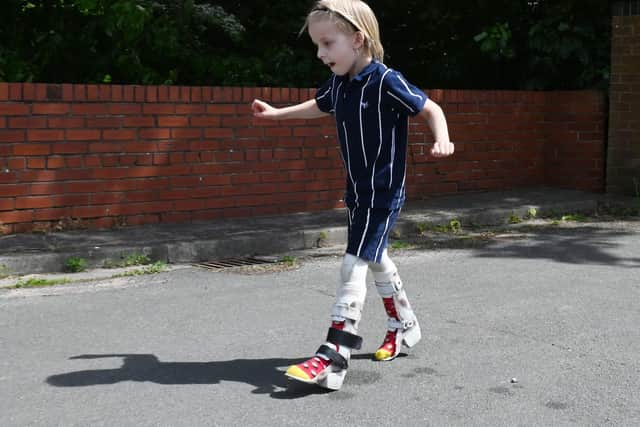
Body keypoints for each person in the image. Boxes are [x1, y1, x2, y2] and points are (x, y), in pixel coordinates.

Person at [251, 0, 454, 390]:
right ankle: (404, 326)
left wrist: (442, 139)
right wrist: (277, 115)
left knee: (353, 264)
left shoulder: (386, 81)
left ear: (358, 40)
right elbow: (319, 105)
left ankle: (334, 354)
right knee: (375, 259)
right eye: (317, 45)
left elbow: (432, 109)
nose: (320, 53)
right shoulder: (340, 84)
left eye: (327, 43)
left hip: (383, 193)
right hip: (357, 192)